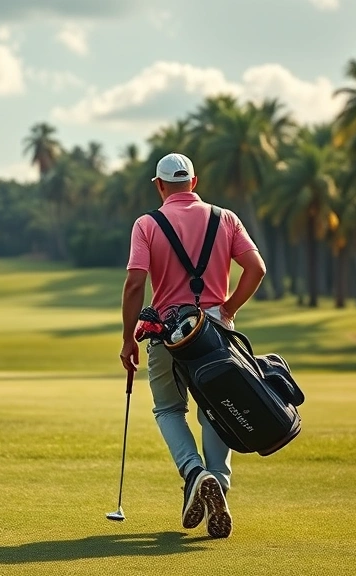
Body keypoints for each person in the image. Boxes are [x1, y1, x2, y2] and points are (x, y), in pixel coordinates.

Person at [119, 152, 267, 539]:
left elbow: (135, 284)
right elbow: (257, 269)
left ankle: (194, 473)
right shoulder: (226, 218)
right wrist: (228, 309)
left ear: (159, 185)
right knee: (217, 408)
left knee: (169, 409)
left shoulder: (147, 224)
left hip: (167, 333)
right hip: (216, 332)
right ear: (194, 182)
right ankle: (218, 480)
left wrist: (127, 339)